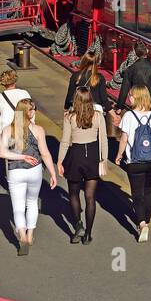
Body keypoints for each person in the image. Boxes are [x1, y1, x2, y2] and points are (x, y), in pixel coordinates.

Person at [0, 97, 58, 255]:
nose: (34, 112)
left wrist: (20, 157)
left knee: (18, 208)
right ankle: (31, 235)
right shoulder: (38, 130)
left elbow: (2, 153)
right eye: (33, 109)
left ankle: (23, 236)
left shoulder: (8, 130)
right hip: (34, 170)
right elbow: (45, 153)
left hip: (15, 171)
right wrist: (52, 173)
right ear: (28, 112)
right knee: (32, 202)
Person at [115, 86, 151, 243]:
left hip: (135, 162)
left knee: (137, 194)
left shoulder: (128, 116)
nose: (129, 98)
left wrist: (119, 155)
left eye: (131, 95)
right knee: (148, 191)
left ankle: (142, 225)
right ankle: (147, 220)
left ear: (136, 97)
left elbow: (124, 139)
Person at [57, 88, 107, 244]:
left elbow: (65, 141)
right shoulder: (98, 116)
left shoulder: (70, 117)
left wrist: (59, 160)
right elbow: (103, 139)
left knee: (73, 193)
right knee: (90, 196)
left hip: (76, 155)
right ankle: (88, 234)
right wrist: (103, 159)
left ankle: (78, 224)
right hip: (92, 155)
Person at [115, 42, 151, 114]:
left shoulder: (130, 69)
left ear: (135, 52)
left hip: (137, 105)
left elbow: (124, 89)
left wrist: (119, 107)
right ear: (147, 51)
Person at [64, 51, 113, 121]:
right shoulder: (99, 78)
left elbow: (70, 96)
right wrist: (113, 114)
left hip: (79, 109)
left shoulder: (76, 76)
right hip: (95, 112)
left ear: (83, 61)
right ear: (96, 64)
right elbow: (104, 99)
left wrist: (66, 109)